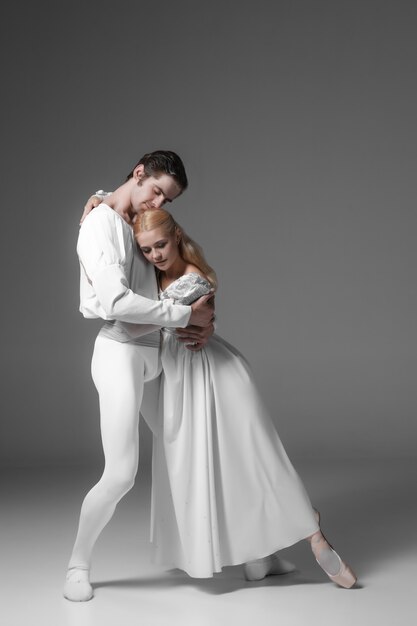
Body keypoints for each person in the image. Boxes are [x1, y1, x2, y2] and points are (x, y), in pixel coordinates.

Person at [133, 208, 357, 588]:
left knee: (255, 459)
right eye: (146, 249)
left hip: (210, 374)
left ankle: (315, 535)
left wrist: (198, 323)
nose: (154, 255)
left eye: (160, 245)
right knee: (223, 466)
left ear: (176, 237)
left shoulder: (191, 279)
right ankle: (258, 557)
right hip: (184, 378)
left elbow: (180, 320)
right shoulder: (156, 273)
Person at [64, 151, 215, 602]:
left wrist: (193, 320)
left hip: (159, 351)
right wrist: (183, 315)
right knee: (122, 473)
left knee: (194, 452)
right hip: (120, 352)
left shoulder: (130, 217)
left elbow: (164, 268)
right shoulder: (99, 225)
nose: (159, 204)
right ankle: (77, 564)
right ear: (138, 174)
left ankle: (249, 556)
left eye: (168, 199)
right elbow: (115, 304)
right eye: (156, 190)